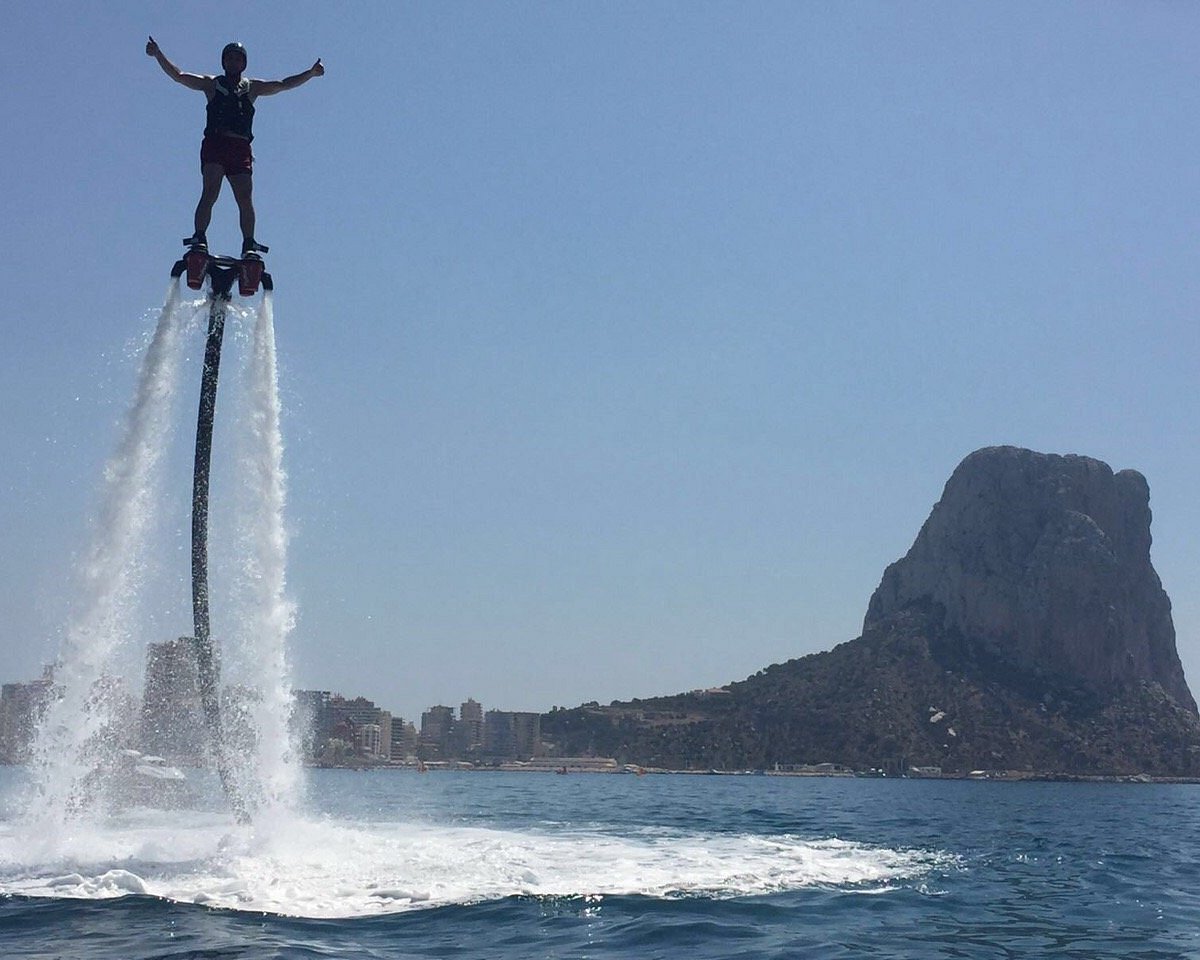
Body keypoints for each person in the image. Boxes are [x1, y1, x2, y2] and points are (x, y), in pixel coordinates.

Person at [146, 37, 324, 257]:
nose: (233, 62)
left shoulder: (252, 88)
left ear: (244, 63)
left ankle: (249, 243)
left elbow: (283, 84)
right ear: (223, 62)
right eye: (229, 58)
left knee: (245, 197)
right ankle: (199, 237)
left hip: (240, 147)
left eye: (238, 59)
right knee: (210, 192)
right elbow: (179, 76)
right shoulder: (211, 84)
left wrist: (310, 73)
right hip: (216, 144)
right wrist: (158, 54)